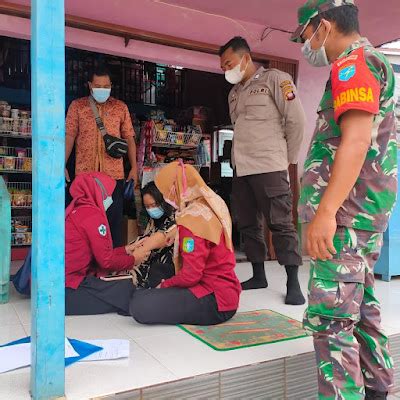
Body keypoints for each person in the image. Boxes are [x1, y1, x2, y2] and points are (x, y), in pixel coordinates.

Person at [291, 1, 396, 399]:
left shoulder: (353, 63)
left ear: (324, 25)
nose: (305, 45)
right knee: (362, 312)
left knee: (332, 323)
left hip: (346, 217)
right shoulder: (370, 62)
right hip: (360, 216)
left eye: (304, 36)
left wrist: (326, 213)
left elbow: (354, 141)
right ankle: (376, 391)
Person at [219, 36, 306, 305]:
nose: (226, 70)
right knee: (247, 223)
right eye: (223, 66)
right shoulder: (234, 93)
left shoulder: (275, 80)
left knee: (281, 223)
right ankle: (259, 275)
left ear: (245, 58)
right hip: (241, 168)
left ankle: (293, 282)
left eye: (229, 63)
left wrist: (287, 159)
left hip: (270, 165)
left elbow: (296, 121)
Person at [129, 162, 242, 325]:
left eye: (166, 191)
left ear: (175, 189)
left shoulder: (191, 220)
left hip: (214, 300)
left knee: (139, 304)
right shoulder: (210, 204)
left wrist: (165, 286)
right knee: (160, 270)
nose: (167, 197)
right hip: (226, 290)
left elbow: (191, 276)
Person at [65, 64, 138, 248]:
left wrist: (135, 168)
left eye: (106, 86)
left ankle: (113, 265)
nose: (103, 90)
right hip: (85, 177)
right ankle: (86, 262)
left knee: (113, 224)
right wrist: (62, 164)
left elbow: (129, 138)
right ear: (90, 85)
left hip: (113, 177)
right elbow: (69, 136)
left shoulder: (120, 108)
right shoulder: (78, 106)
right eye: (98, 86)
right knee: (84, 222)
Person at [65, 172, 149, 316]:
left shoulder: (76, 210)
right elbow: (106, 261)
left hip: (60, 282)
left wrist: (125, 250)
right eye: (109, 194)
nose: (110, 198)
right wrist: (134, 259)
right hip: (69, 286)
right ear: (99, 192)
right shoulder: (93, 215)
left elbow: (98, 253)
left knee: (117, 286)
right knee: (124, 289)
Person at [125, 182, 177, 288]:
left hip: (163, 268)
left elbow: (160, 238)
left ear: (163, 201)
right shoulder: (153, 220)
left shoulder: (175, 218)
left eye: (153, 205)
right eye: (147, 207)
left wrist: (132, 255)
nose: (151, 210)